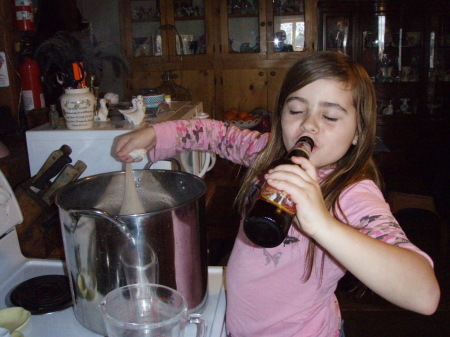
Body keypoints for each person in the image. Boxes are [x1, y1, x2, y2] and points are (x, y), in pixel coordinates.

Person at [116, 52, 440, 337]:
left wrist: (322, 224)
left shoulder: (351, 192)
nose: (308, 126)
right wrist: (154, 133)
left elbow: (424, 294)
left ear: (358, 131)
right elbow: (216, 134)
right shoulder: (265, 153)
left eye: (329, 116)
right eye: (296, 110)